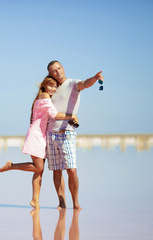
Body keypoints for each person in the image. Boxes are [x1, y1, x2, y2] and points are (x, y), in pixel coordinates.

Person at [0, 76, 78, 209]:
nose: (53, 89)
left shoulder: (42, 97)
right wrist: (72, 116)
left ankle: (35, 200)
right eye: (50, 86)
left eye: (55, 86)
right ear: (44, 86)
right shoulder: (44, 96)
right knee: (38, 168)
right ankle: (11, 166)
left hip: (41, 136)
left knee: (38, 171)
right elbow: (54, 114)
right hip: (36, 135)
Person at [46, 60, 104, 210]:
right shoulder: (50, 89)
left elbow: (85, 84)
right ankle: (61, 202)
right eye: (54, 71)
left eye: (58, 68)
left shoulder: (73, 83)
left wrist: (94, 78)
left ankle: (76, 203)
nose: (57, 72)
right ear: (50, 74)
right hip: (50, 133)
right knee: (57, 170)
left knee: (71, 169)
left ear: (63, 68)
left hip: (67, 132)